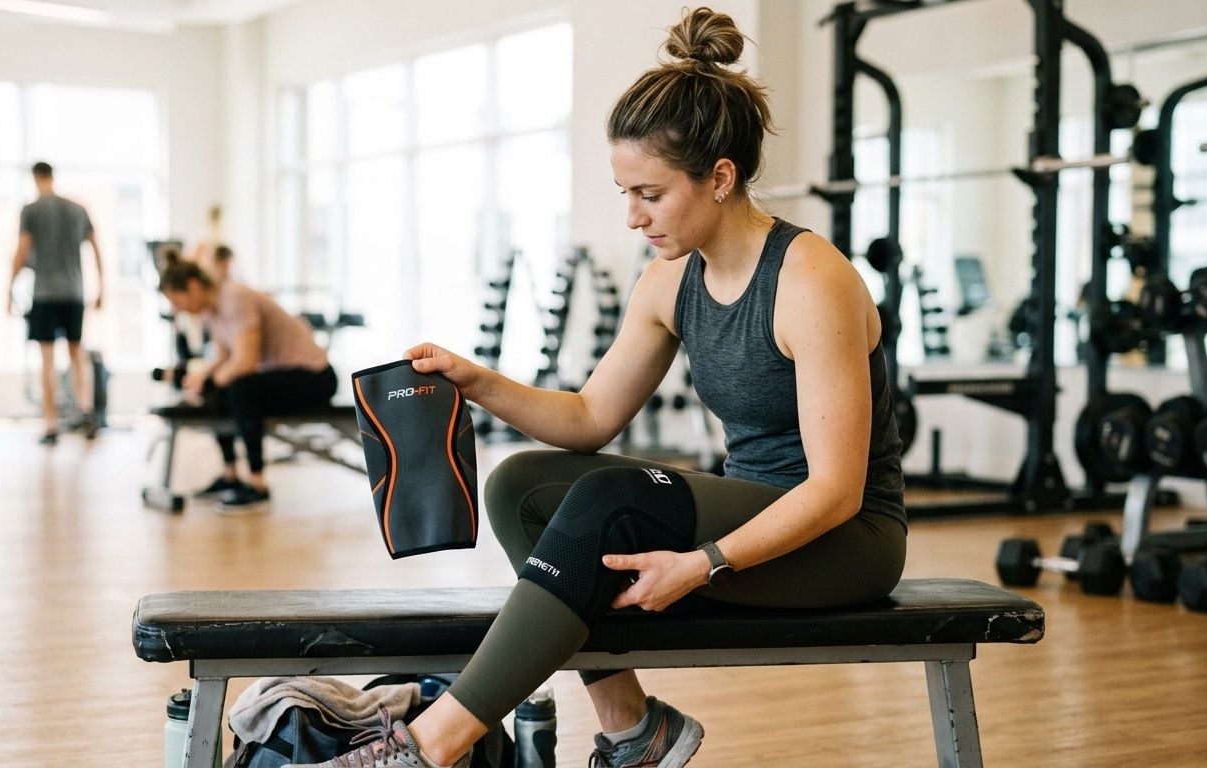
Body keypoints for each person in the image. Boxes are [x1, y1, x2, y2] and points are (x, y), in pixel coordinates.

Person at [305, 8, 906, 768]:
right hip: (753, 511)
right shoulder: (668, 282)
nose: (631, 217)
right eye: (624, 192)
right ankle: (635, 730)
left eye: (649, 194)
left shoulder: (810, 279)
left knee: (610, 501)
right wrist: (476, 380)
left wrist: (702, 563)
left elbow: (836, 493)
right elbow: (590, 417)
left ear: (720, 178)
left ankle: (427, 748)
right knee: (522, 485)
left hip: (844, 543)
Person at [157, 251, 338, 509]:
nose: (177, 308)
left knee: (241, 388)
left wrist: (212, 382)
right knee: (221, 390)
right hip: (283, 376)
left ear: (194, 287)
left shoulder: (234, 297)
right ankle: (231, 475)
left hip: (315, 378)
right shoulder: (211, 310)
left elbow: (245, 362)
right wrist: (201, 378)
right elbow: (222, 357)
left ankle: (257, 483)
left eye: (177, 300)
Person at [8, 161, 104, 444]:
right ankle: (85, 411)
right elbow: (97, 250)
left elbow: (22, 250)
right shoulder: (78, 209)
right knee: (77, 354)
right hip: (75, 292)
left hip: (45, 293)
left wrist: (8, 287)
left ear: (37, 178)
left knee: (47, 359)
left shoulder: (32, 210)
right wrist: (102, 288)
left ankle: (51, 425)